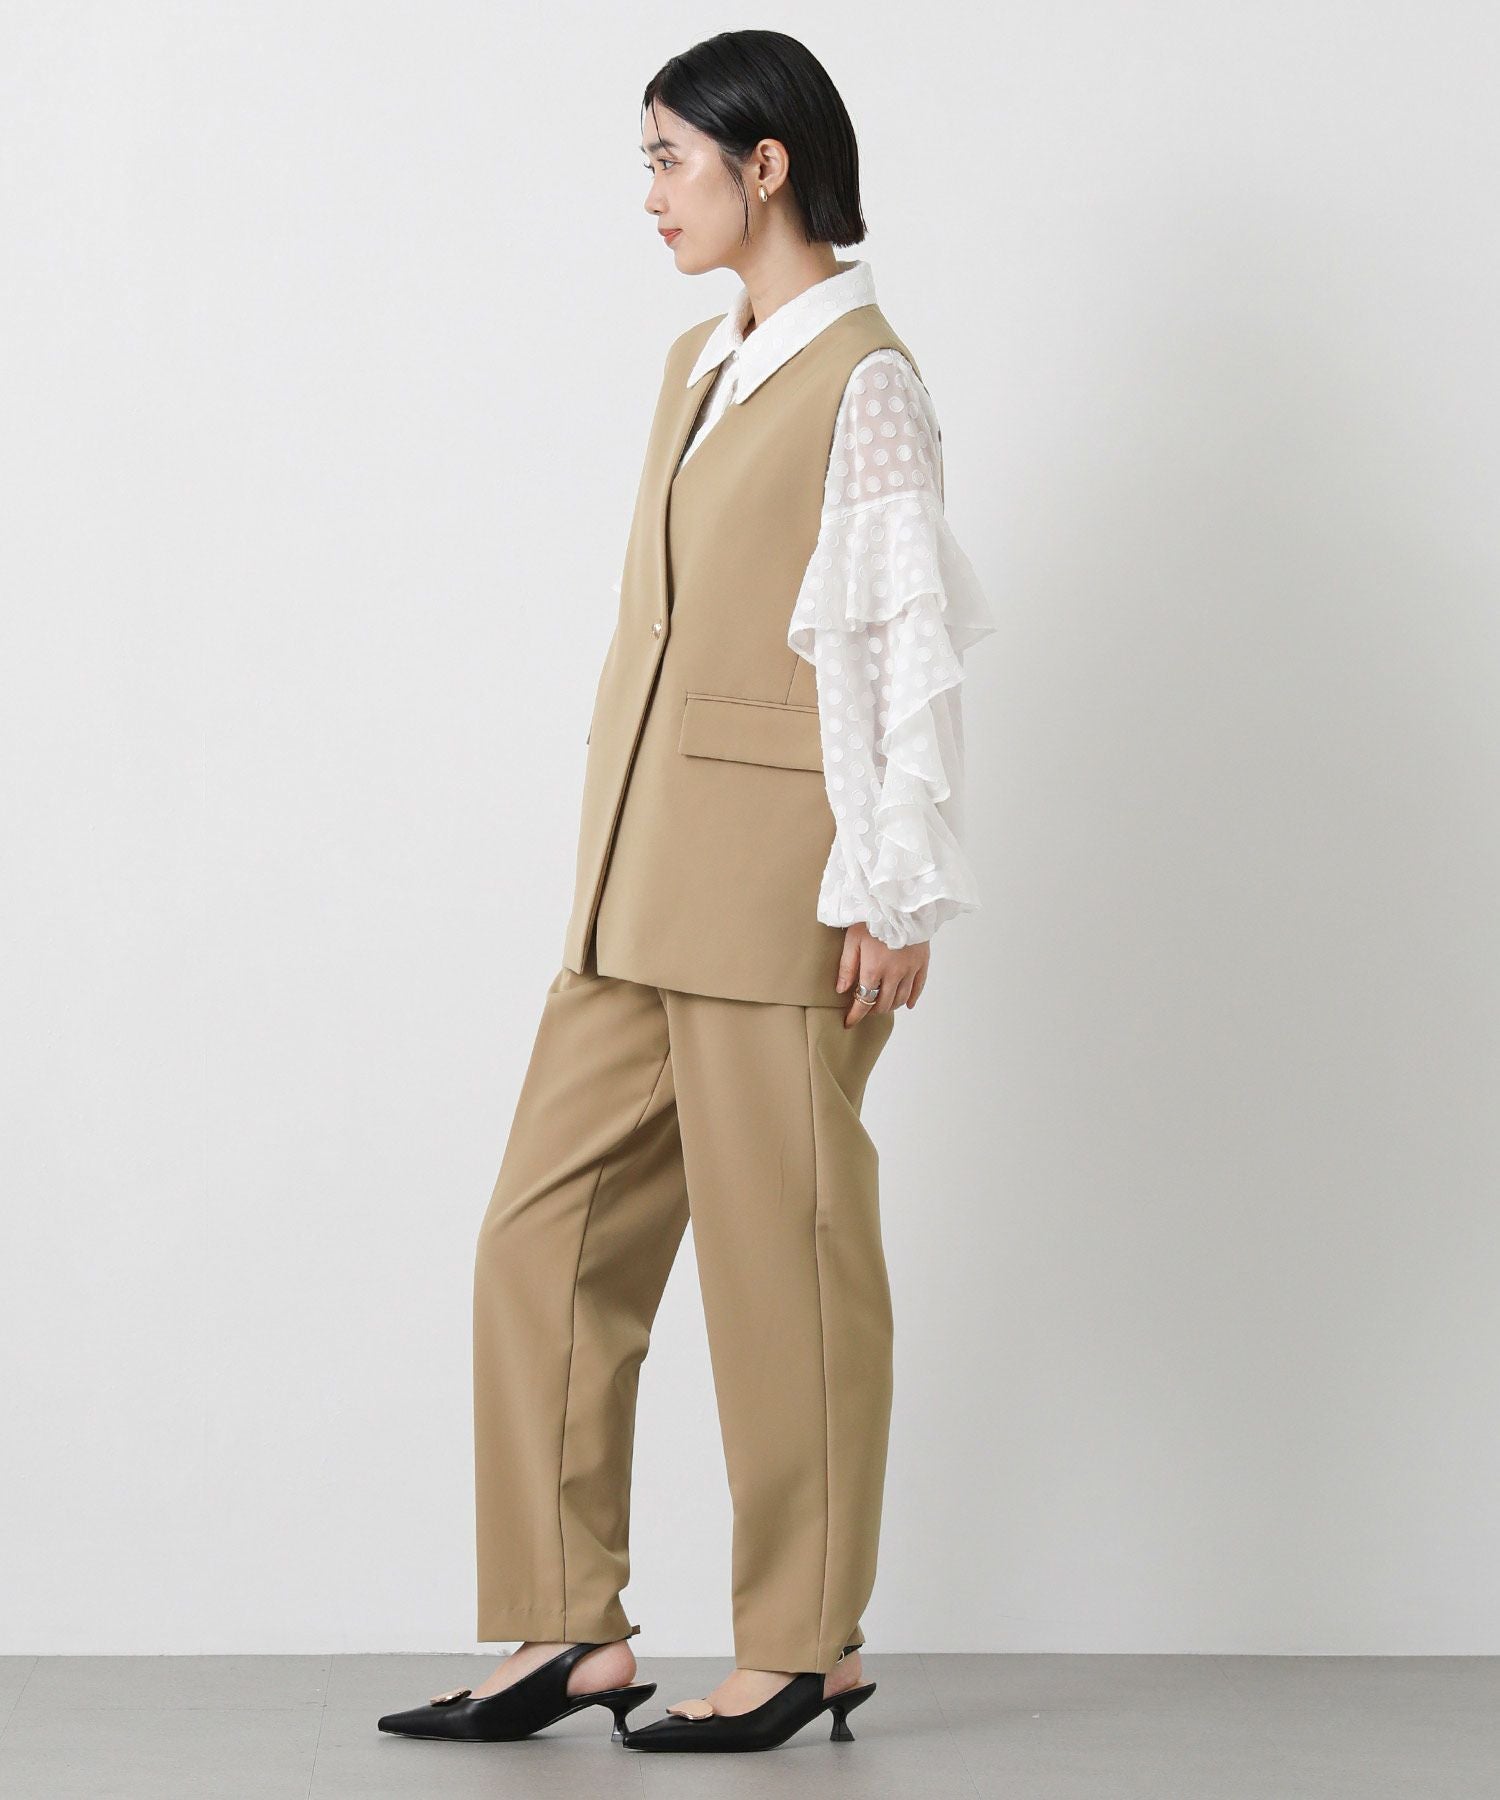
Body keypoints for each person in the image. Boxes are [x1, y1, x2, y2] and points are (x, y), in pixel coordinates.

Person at [378, 27, 995, 1756]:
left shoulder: (867, 381)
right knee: (543, 1237)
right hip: (637, 881)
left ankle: (803, 1643)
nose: (649, 194)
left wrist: (891, 890)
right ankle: (566, 1629)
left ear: (764, 164)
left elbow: (898, 647)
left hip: (785, 889)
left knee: (785, 1270)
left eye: (669, 159)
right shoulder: (697, 361)